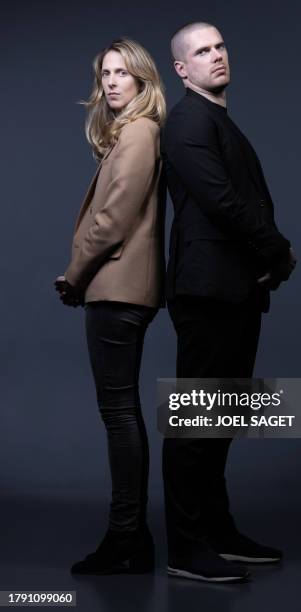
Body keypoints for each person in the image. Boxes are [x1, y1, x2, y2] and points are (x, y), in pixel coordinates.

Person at [161, 22, 297, 583]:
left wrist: (265, 263)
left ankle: (216, 531)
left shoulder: (215, 118)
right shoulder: (188, 120)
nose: (215, 56)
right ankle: (185, 547)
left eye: (219, 47)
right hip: (207, 290)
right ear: (181, 69)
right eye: (201, 51)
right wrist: (277, 248)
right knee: (195, 420)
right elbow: (222, 201)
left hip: (234, 288)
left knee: (221, 419)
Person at [54, 38, 166, 575]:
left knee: (119, 414)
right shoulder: (128, 135)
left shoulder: (141, 133)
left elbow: (113, 220)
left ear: (144, 80)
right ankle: (129, 535)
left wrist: (75, 276)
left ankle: (128, 538)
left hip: (118, 290)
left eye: (124, 73)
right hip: (117, 289)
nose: (113, 82)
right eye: (105, 74)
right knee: (119, 413)